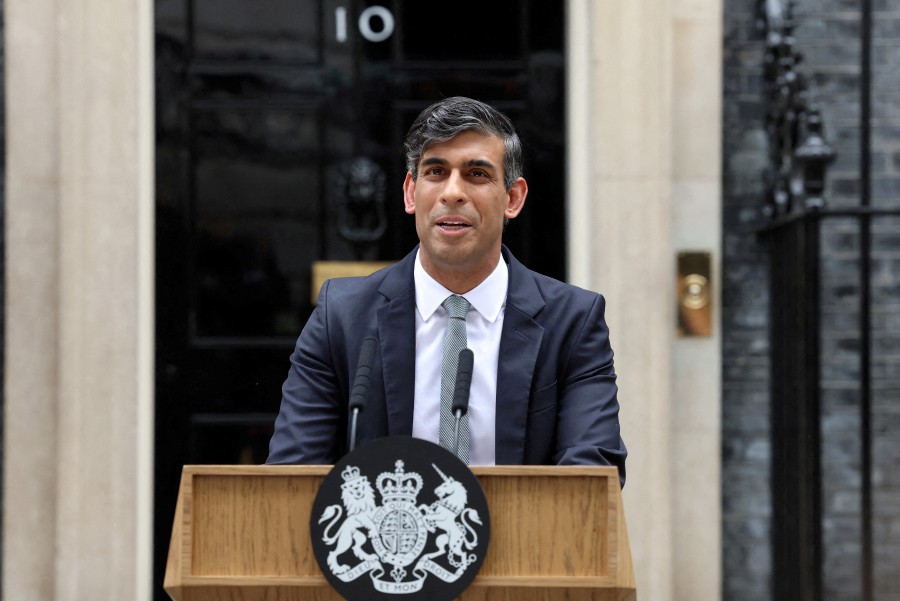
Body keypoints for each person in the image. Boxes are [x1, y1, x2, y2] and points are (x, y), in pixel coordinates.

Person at [267, 96, 626, 485]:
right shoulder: (342, 316)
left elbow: (592, 479)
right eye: (436, 171)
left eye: (476, 174)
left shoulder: (572, 323)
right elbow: (293, 474)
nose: (452, 193)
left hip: (523, 543)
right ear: (410, 192)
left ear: (514, 198)